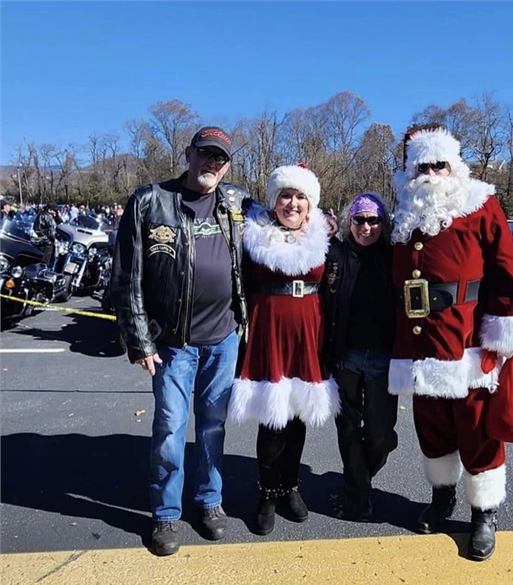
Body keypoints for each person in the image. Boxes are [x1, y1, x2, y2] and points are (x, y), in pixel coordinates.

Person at [389, 125, 513, 561]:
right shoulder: (405, 210)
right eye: (422, 165)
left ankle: (484, 513)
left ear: (454, 165)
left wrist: (506, 332)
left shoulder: (480, 204)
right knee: (432, 426)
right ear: (410, 170)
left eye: (439, 164)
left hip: (467, 340)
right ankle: (442, 498)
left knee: (476, 429)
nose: (431, 173)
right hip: (420, 342)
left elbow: (506, 267)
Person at [110, 126, 252, 557]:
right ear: (188, 153)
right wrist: (139, 340)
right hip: (172, 343)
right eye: (205, 154)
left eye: (220, 159)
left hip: (224, 338)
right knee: (170, 428)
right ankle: (166, 512)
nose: (212, 163)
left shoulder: (237, 203)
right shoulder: (150, 201)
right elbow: (126, 276)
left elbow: (285, 223)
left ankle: (209, 501)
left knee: (213, 426)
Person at [228, 164, 339, 536]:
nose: (292, 203)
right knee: (273, 420)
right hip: (268, 332)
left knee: (298, 417)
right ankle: (266, 494)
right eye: (285, 196)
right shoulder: (252, 234)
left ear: (311, 204)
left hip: (309, 332)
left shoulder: (325, 238)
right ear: (274, 201)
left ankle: (291, 486)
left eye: (300, 197)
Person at [322, 192, 398, 522]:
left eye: (373, 220)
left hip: (384, 358)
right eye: (359, 220)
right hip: (346, 355)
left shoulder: (395, 256)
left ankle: (361, 475)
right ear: (348, 222)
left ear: (383, 223)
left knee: (381, 433)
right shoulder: (335, 255)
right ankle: (358, 495)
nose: (366, 226)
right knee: (349, 429)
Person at [33, 202, 58, 267]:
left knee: (52, 258)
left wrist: (57, 216)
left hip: (52, 240)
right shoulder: (42, 215)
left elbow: (58, 225)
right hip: (45, 242)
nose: (55, 212)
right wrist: (47, 241)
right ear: (49, 209)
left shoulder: (51, 216)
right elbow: (38, 230)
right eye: (54, 210)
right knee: (45, 259)